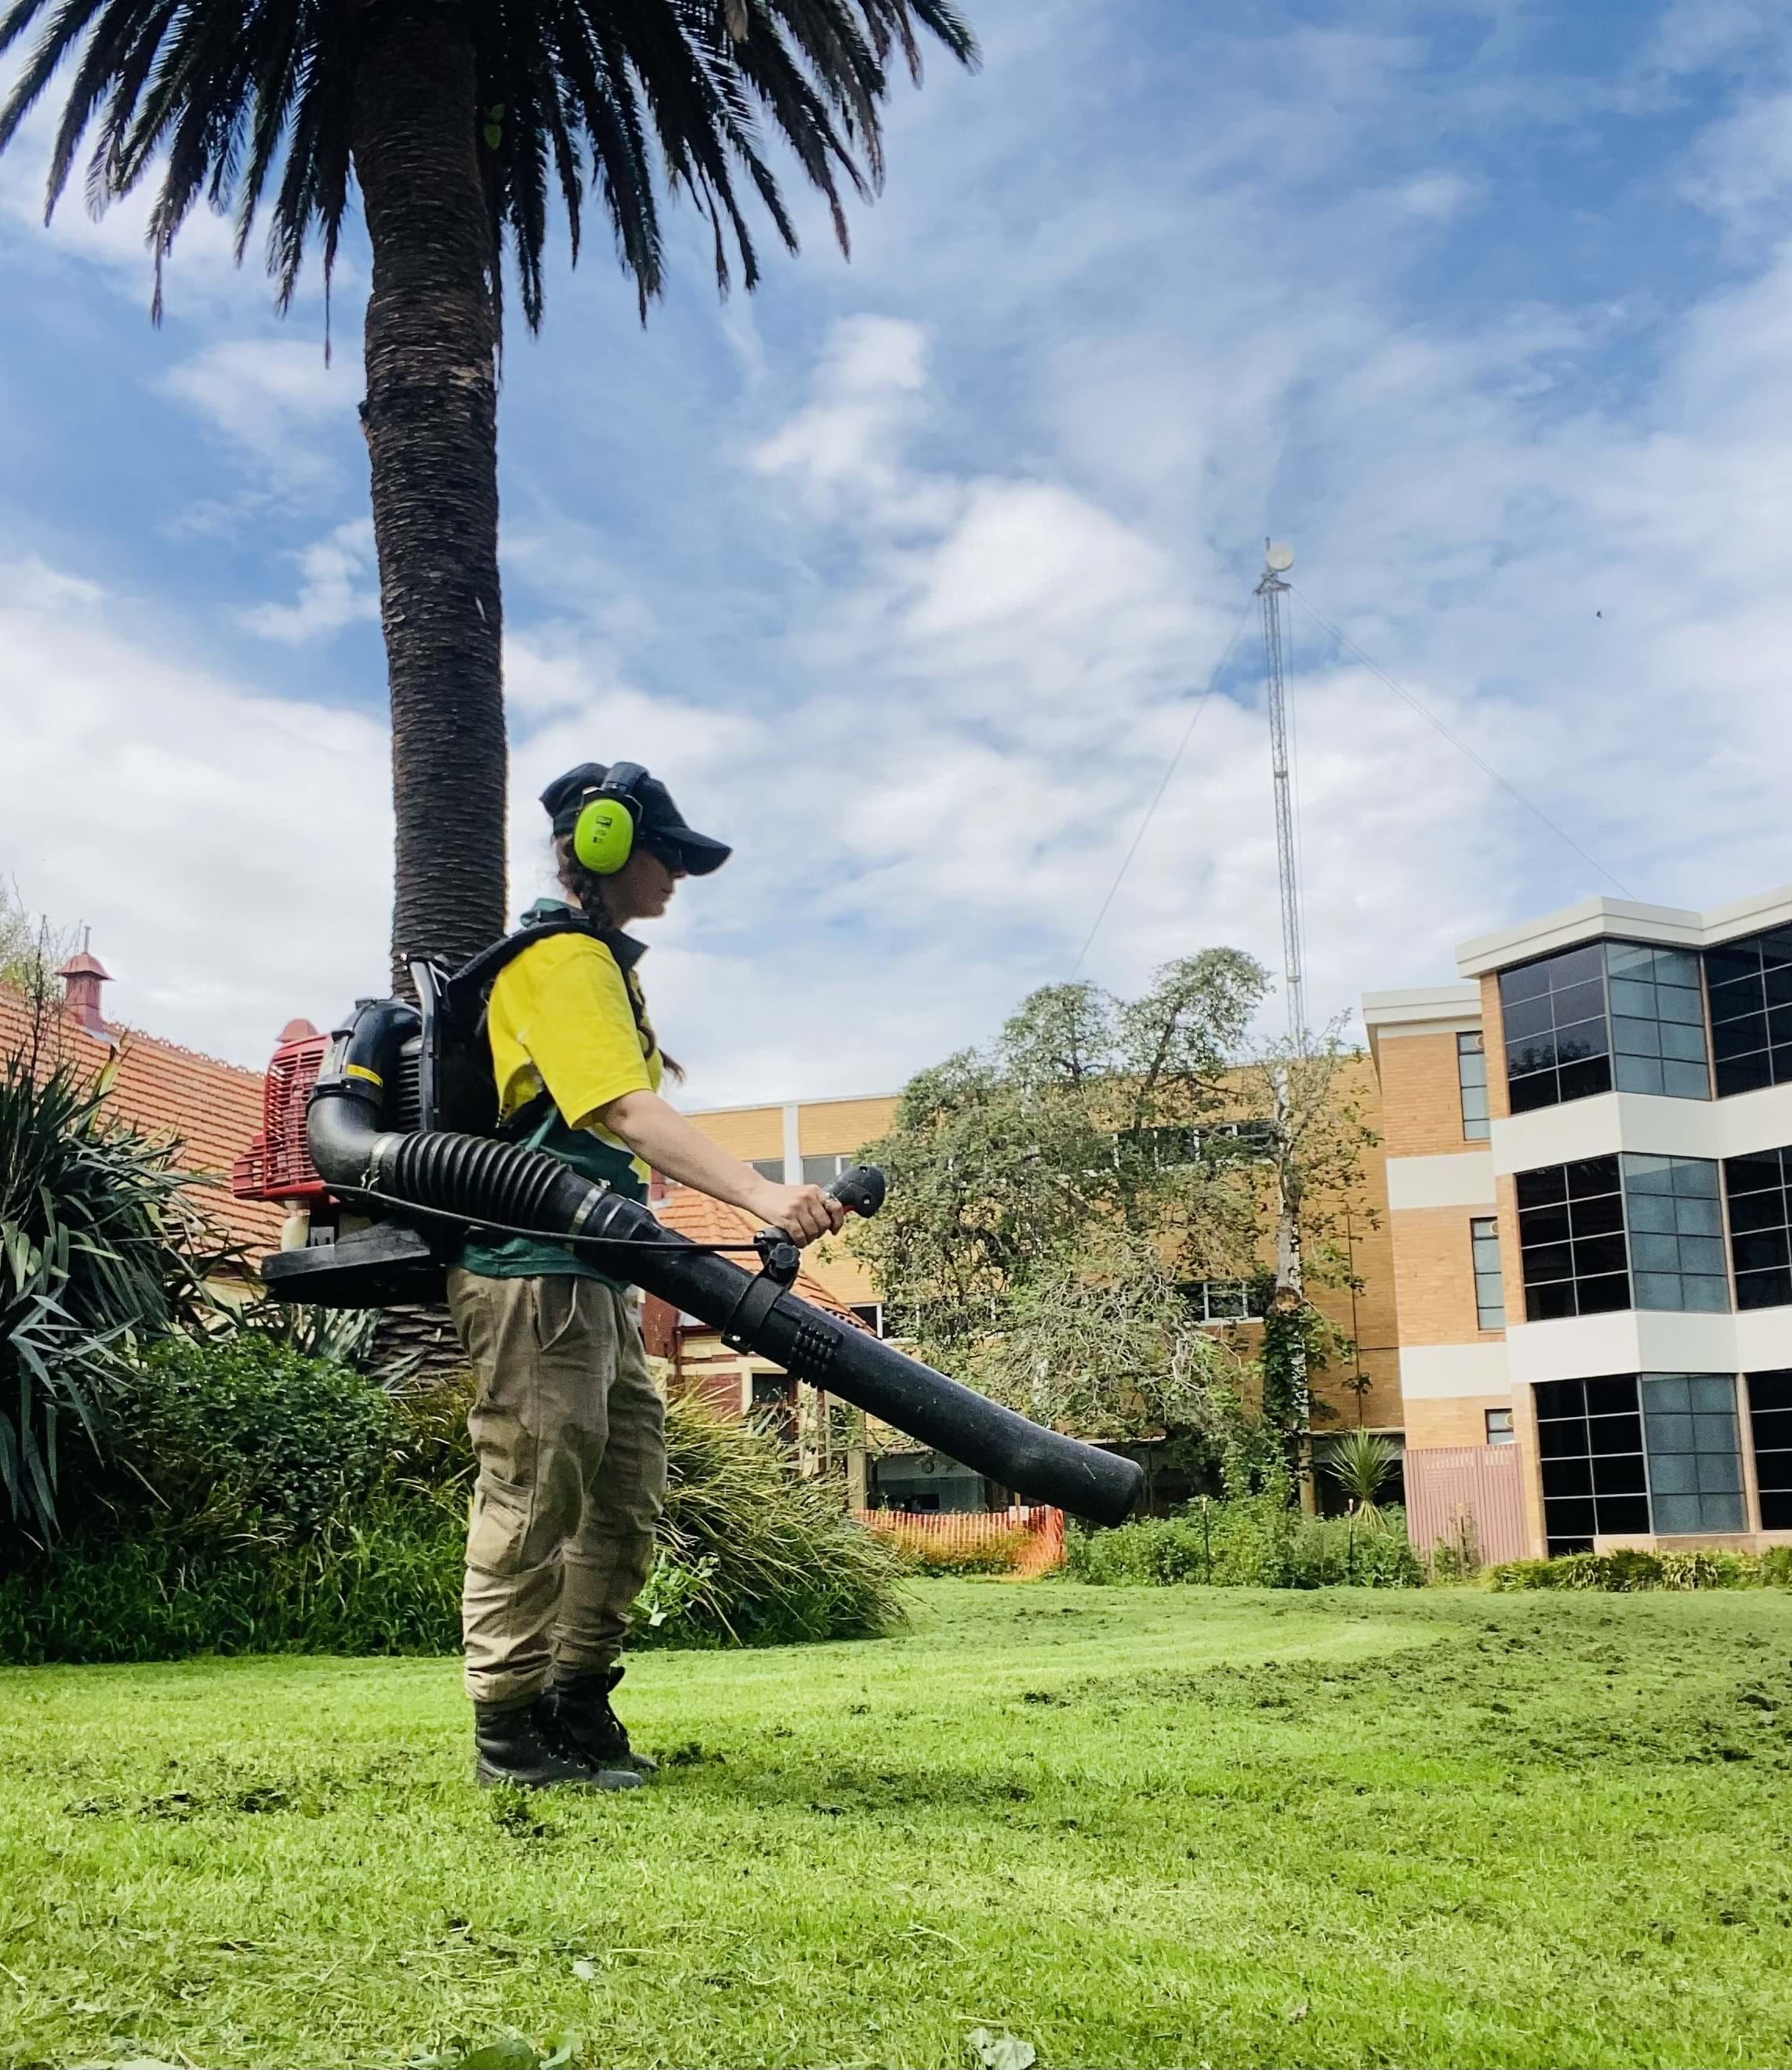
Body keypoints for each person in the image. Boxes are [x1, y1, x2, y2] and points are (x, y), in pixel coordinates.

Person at [449, 760, 845, 1790]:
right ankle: (508, 1727)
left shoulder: (605, 967)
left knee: (624, 1496)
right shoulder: (560, 959)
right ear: (606, 844)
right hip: (531, 1266)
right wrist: (761, 1195)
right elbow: (624, 1110)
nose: (676, 873)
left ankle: (578, 1700)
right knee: (534, 1490)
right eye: (666, 852)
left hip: (594, 1272)